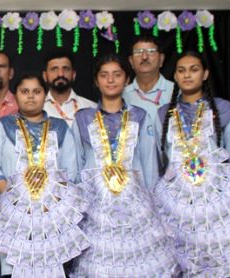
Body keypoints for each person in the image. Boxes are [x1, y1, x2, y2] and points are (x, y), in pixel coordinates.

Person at [69, 53, 178, 277]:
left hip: (134, 206)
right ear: (96, 80)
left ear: (126, 79)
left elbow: (149, 164)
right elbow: (76, 165)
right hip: (95, 207)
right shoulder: (82, 118)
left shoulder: (140, 116)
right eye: (104, 75)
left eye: (117, 74)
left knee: (135, 264)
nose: (111, 80)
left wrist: (150, 207)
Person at [153, 51, 230, 277]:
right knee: (179, 258)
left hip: (214, 199)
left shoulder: (223, 109)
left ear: (205, 74)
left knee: (218, 257)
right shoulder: (164, 113)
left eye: (194, 69)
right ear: (175, 76)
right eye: (181, 71)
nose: (187, 75)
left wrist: (226, 195)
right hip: (178, 201)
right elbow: (162, 158)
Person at [0, 73, 88, 277]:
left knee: (50, 267)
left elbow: (71, 171)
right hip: (13, 214)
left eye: (36, 91)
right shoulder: (3, 125)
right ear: (16, 95)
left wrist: (52, 202)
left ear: (45, 94)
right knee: (11, 268)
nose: (30, 96)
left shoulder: (59, 127)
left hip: (51, 213)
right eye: (24, 91)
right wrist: (16, 200)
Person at [41, 48, 96, 127]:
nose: (60, 74)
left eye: (66, 69)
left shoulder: (91, 108)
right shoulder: (36, 110)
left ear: (73, 75)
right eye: (54, 69)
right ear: (45, 76)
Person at [123, 35, 174, 118]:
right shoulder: (122, 95)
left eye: (151, 51)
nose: (144, 57)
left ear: (161, 59)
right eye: (138, 52)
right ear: (131, 61)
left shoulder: (175, 92)